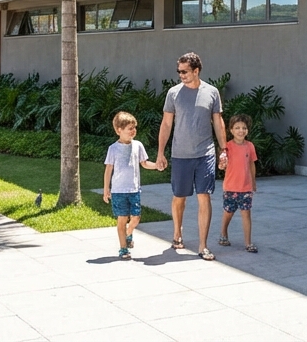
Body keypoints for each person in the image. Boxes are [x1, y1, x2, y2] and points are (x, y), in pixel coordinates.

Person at [155, 52, 228, 261]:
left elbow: (218, 122)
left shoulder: (212, 92)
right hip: (180, 155)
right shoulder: (173, 94)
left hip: (205, 154)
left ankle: (203, 245)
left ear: (196, 71)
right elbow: (167, 124)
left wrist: (224, 150)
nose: (181, 75)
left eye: (185, 71)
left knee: (204, 196)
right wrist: (161, 152)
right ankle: (177, 233)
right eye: (179, 71)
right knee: (179, 197)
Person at [103, 111, 160, 260]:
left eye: (134, 128)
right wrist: (106, 189)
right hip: (118, 191)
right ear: (119, 130)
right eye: (129, 128)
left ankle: (129, 232)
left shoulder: (138, 145)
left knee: (136, 218)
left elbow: (144, 163)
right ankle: (123, 249)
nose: (133, 131)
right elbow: (108, 169)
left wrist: (157, 166)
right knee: (122, 219)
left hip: (134, 189)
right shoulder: (113, 149)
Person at [218, 113, 259, 253]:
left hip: (246, 187)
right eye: (237, 128)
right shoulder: (228, 147)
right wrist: (221, 163)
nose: (241, 130)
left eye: (244, 128)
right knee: (228, 212)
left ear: (247, 130)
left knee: (246, 213)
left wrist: (253, 182)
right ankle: (223, 233)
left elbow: (252, 165)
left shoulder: (250, 146)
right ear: (231, 130)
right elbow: (222, 165)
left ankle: (248, 243)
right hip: (230, 187)